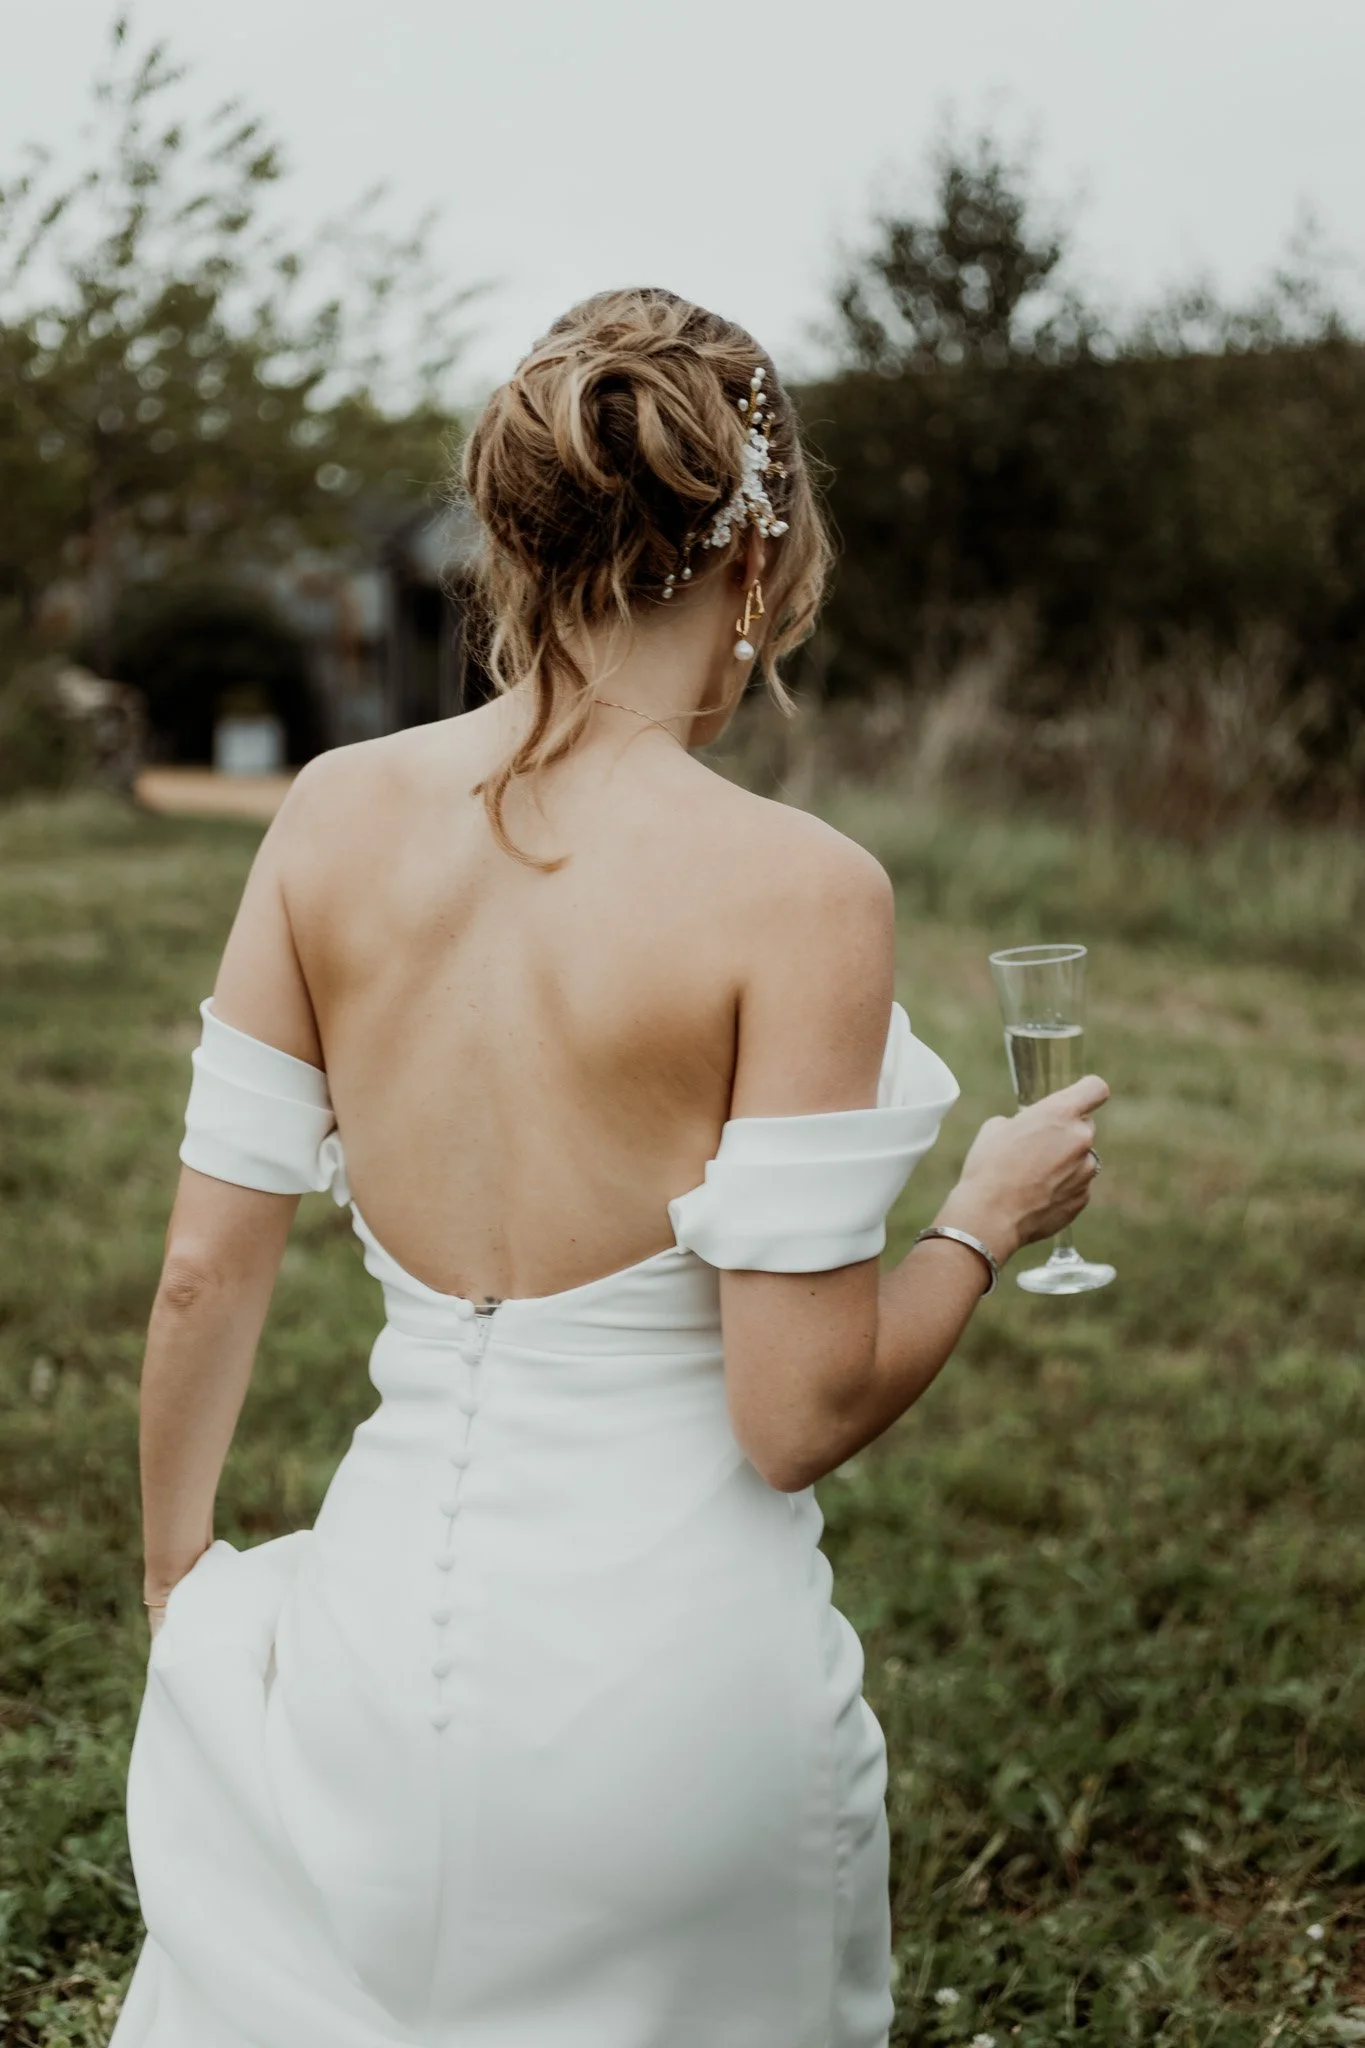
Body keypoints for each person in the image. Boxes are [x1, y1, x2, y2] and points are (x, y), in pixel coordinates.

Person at [112, 287, 1107, 2048]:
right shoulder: (801, 888)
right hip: (678, 1715)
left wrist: (181, 1574)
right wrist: (981, 1213)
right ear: (760, 556)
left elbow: (206, 1267)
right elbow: (794, 1414)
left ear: (513, 540)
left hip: (363, 1665)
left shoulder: (330, 813)